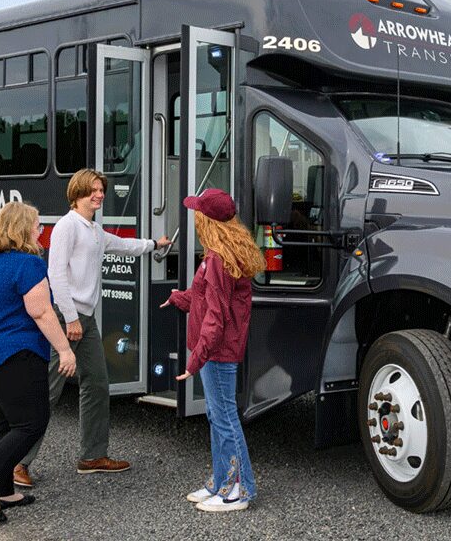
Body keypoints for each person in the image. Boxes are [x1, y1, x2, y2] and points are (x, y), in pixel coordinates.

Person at [14, 169, 169, 487]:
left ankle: (92, 456)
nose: (98, 194)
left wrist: (155, 243)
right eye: (92, 190)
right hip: (64, 319)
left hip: (85, 321)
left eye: (100, 190)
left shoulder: (94, 230)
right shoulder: (66, 228)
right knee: (48, 390)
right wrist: (70, 318)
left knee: (97, 385)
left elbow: (124, 245)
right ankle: (17, 461)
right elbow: (55, 275)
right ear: (77, 194)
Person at [0, 201, 77, 523]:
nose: (41, 230)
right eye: (37, 224)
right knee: (31, 423)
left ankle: (1, 489)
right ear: (22, 229)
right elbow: (41, 312)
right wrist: (65, 350)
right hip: (16, 357)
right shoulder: (26, 265)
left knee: (5, 425)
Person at [162, 188, 265, 512]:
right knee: (217, 416)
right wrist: (180, 298)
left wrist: (195, 360)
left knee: (225, 420)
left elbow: (216, 317)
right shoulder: (221, 255)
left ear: (207, 220)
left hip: (218, 352)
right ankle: (223, 482)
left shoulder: (219, 260)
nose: (194, 217)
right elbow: (205, 298)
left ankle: (239, 491)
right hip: (218, 350)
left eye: (197, 212)